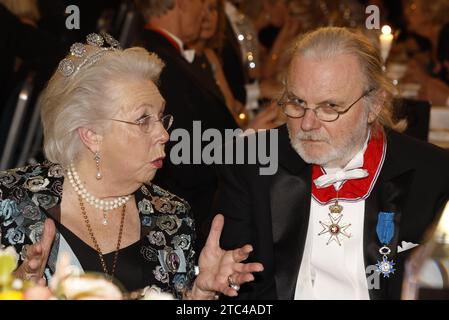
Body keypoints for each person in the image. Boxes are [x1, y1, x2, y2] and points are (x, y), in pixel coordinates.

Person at [0, 32, 263, 299]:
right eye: (143, 120)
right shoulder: (9, 203)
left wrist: (197, 296)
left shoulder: (172, 217)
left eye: (161, 117)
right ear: (91, 134)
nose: (164, 134)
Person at [216, 27, 449, 300]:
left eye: (330, 107)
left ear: (373, 105)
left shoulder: (434, 175)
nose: (307, 124)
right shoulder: (251, 164)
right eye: (297, 102)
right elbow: (241, 290)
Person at [134, 0, 240, 254]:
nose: (205, 10)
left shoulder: (170, 55)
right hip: (194, 215)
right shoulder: (157, 63)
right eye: (201, 2)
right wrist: (250, 144)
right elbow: (184, 158)